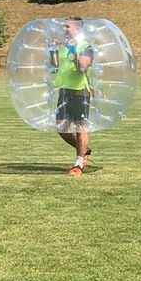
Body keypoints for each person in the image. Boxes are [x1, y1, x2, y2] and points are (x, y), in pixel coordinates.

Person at [49, 17, 95, 175]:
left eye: (67, 27)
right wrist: (53, 50)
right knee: (61, 127)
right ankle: (84, 150)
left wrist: (72, 52)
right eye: (64, 27)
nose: (64, 29)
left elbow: (81, 68)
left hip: (79, 90)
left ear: (77, 29)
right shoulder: (63, 46)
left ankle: (79, 163)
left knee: (79, 126)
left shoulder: (85, 47)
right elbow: (55, 67)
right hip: (65, 89)